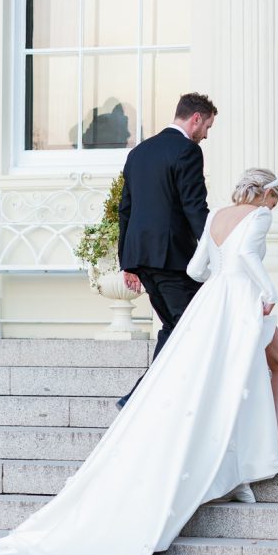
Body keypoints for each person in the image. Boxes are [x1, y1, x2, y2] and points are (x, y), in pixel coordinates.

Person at [0, 168, 278, 555]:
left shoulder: (216, 215)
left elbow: (196, 270)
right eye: (277, 196)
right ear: (267, 193)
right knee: (238, 381)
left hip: (210, 303)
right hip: (239, 301)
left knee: (214, 385)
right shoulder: (260, 217)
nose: (277, 204)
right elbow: (247, 257)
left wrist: (220, 280)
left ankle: (232, 471)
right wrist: (269, 293)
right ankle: (235, 472)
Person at [116, 92, 216, 409]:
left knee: (176, 327)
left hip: (141, 256)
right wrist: (218, 251)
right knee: (192, 324)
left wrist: (127, 262)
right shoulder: (187, 151)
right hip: (172, 259)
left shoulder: (139, 152)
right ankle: (141, 398)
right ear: (196, 118)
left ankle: (144, 399)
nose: (206, 135)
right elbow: (194, 207)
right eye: (208, 126)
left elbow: (125, 210)